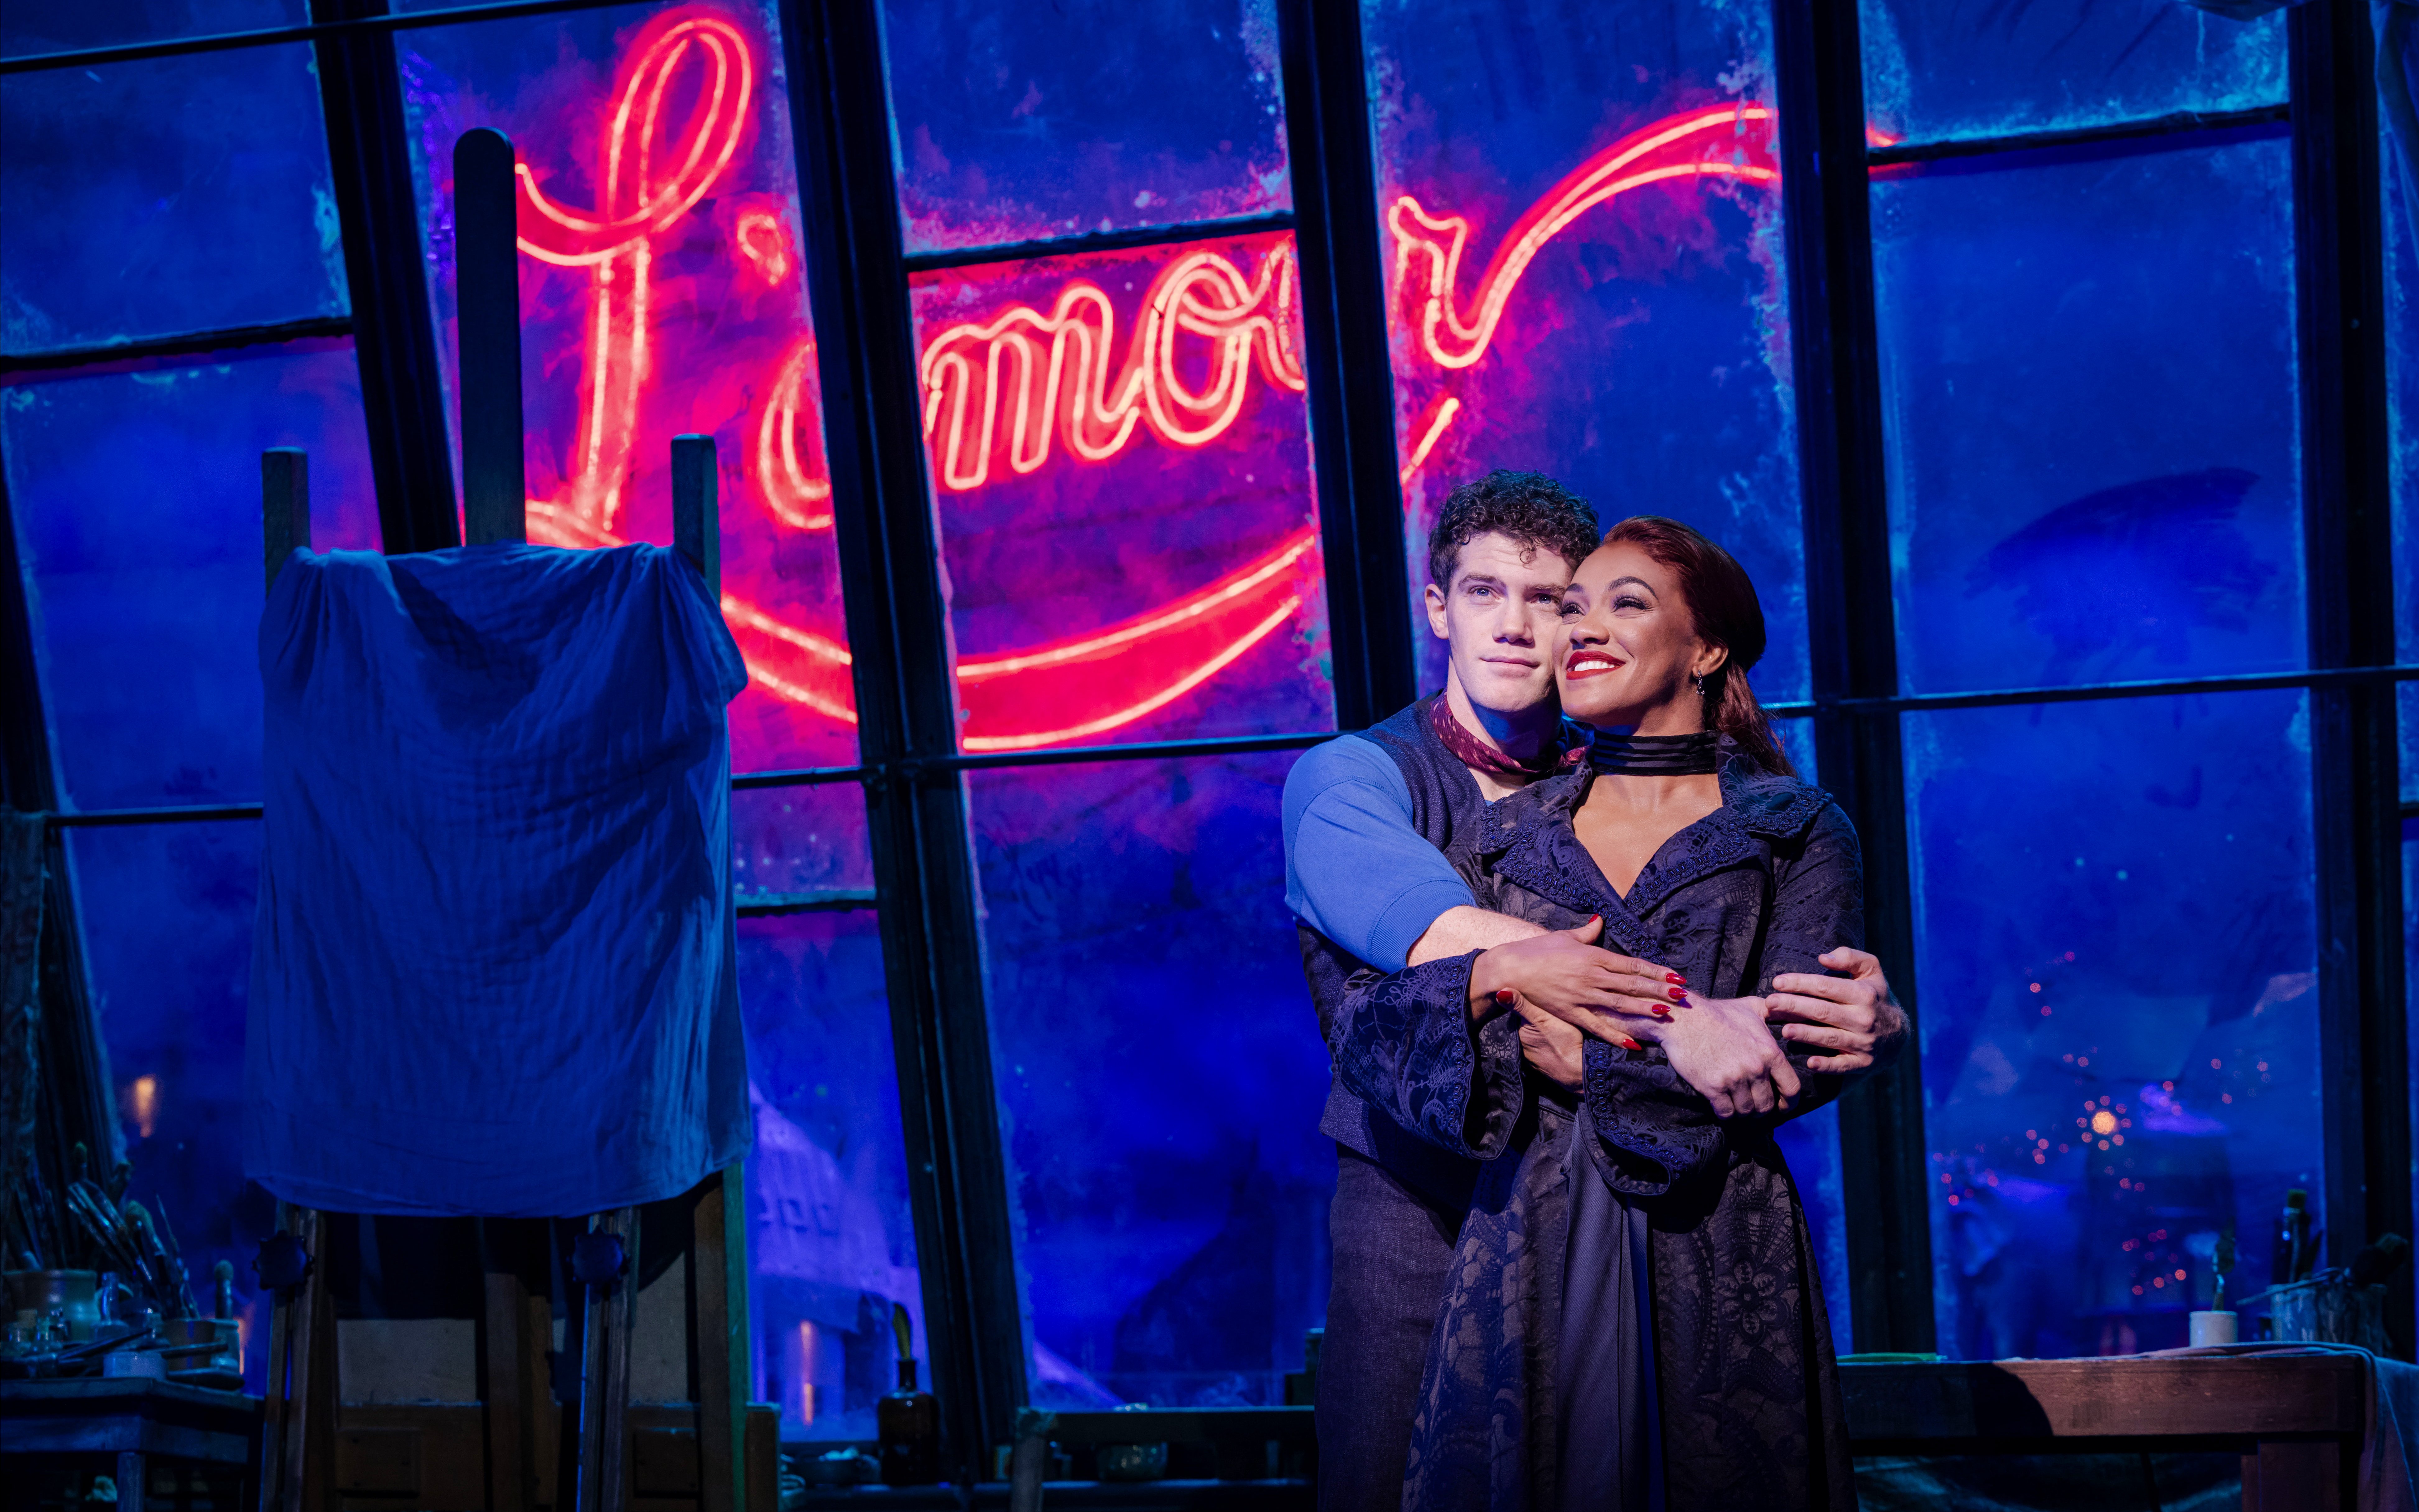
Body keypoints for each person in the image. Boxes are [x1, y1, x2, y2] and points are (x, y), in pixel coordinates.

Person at [1284, 479, 1897, 1510]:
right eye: (1485, 593)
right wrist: (1687, 1020)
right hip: (1419, 1198)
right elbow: (1440, 943)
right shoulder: (1358, 781)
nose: (1522, 629)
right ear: (1438, 608)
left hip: (1655, 1190)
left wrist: (1848, 1016)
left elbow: (1789, 1003)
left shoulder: (1679, 793)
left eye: (1555, 600)